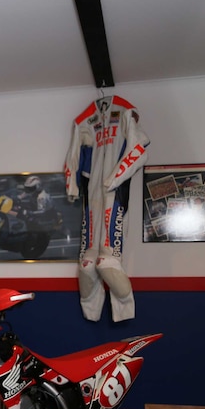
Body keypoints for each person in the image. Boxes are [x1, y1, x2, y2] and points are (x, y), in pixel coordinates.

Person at [64, 95, 150, 322]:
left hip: (114, 192)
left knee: (107, 260)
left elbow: (139, 149)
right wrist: (72, 184)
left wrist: (116, 177)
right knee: (87, 262)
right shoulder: (85, 120)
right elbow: (73, 155)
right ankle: (90, 312)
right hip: (91, 192)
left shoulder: (124, 111)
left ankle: (124, 309)